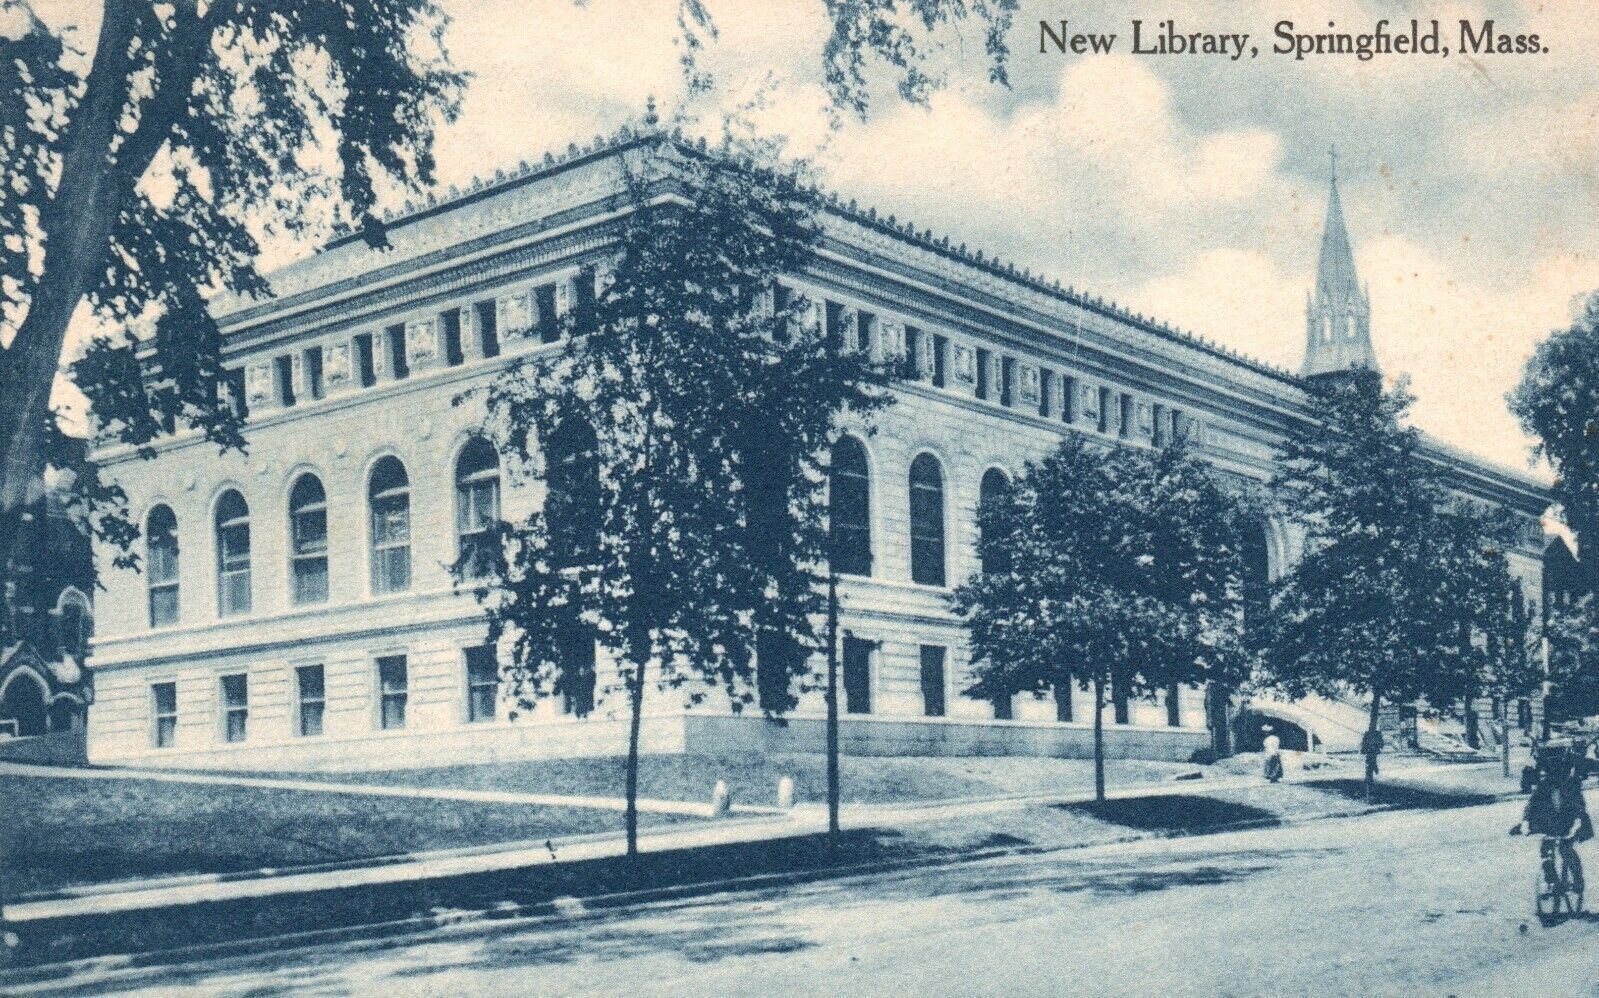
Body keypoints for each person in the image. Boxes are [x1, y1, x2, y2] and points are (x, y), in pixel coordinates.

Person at [1511, 745, 1594, 898]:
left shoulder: (1571, 785)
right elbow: (1532, 805)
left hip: (1569, 824)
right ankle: (1552, 881)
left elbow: (1579, 807)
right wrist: (1525, 822)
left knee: (1565, 849)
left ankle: (1578, 881)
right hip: (1550, 824)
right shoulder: (1545, 785)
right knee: (1546, 850)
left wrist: (1577, 824)